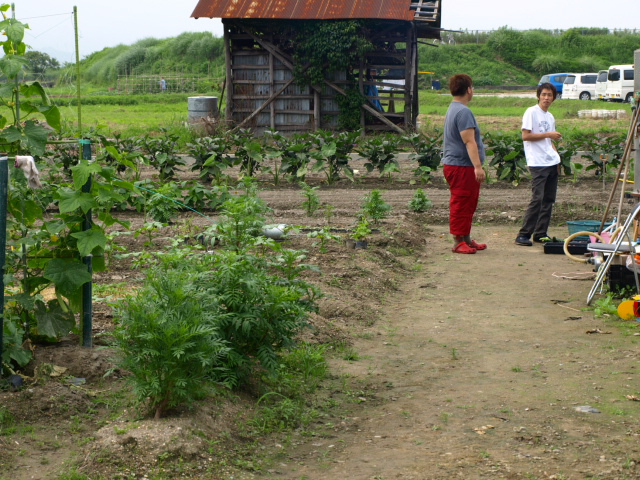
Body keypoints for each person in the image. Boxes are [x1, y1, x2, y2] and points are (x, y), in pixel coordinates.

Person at [442, 73, 487, 254]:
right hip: (461, 166)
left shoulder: (454, 108)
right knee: (461, 202)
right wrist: (478, 166)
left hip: (459, 165)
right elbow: (469, 141)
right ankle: (457, 241)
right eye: (472, 87)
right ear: (468, 90)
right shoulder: (463, 112)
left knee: (469, 202)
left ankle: (466, 238)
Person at [515, 82, 562, 246]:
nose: (547, 98)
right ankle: (523, 234)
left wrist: (556, 156)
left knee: (548, 199)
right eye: (544, 94)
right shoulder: (531, 112)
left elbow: (549, 141)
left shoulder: (550, 116)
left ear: (554, 98)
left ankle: (541, 232)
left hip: (551, 161)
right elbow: (525, 136)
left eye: (550, 95)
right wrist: (548, 133)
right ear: (538, 96)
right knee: (537, 198)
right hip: (537, 162)